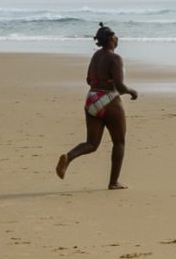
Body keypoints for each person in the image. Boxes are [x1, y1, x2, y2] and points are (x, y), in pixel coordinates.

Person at [55, 24, 138, 188]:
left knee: (91, 144)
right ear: (111, 39)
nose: (118, 38)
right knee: (119, 142)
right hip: (109, 100)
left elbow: (88, 80)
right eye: (116, 36)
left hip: (91, 99)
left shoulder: (95, 57)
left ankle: (68, 157)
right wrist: (132, 92)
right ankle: (113, 183)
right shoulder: (115, 58)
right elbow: (120, 87)